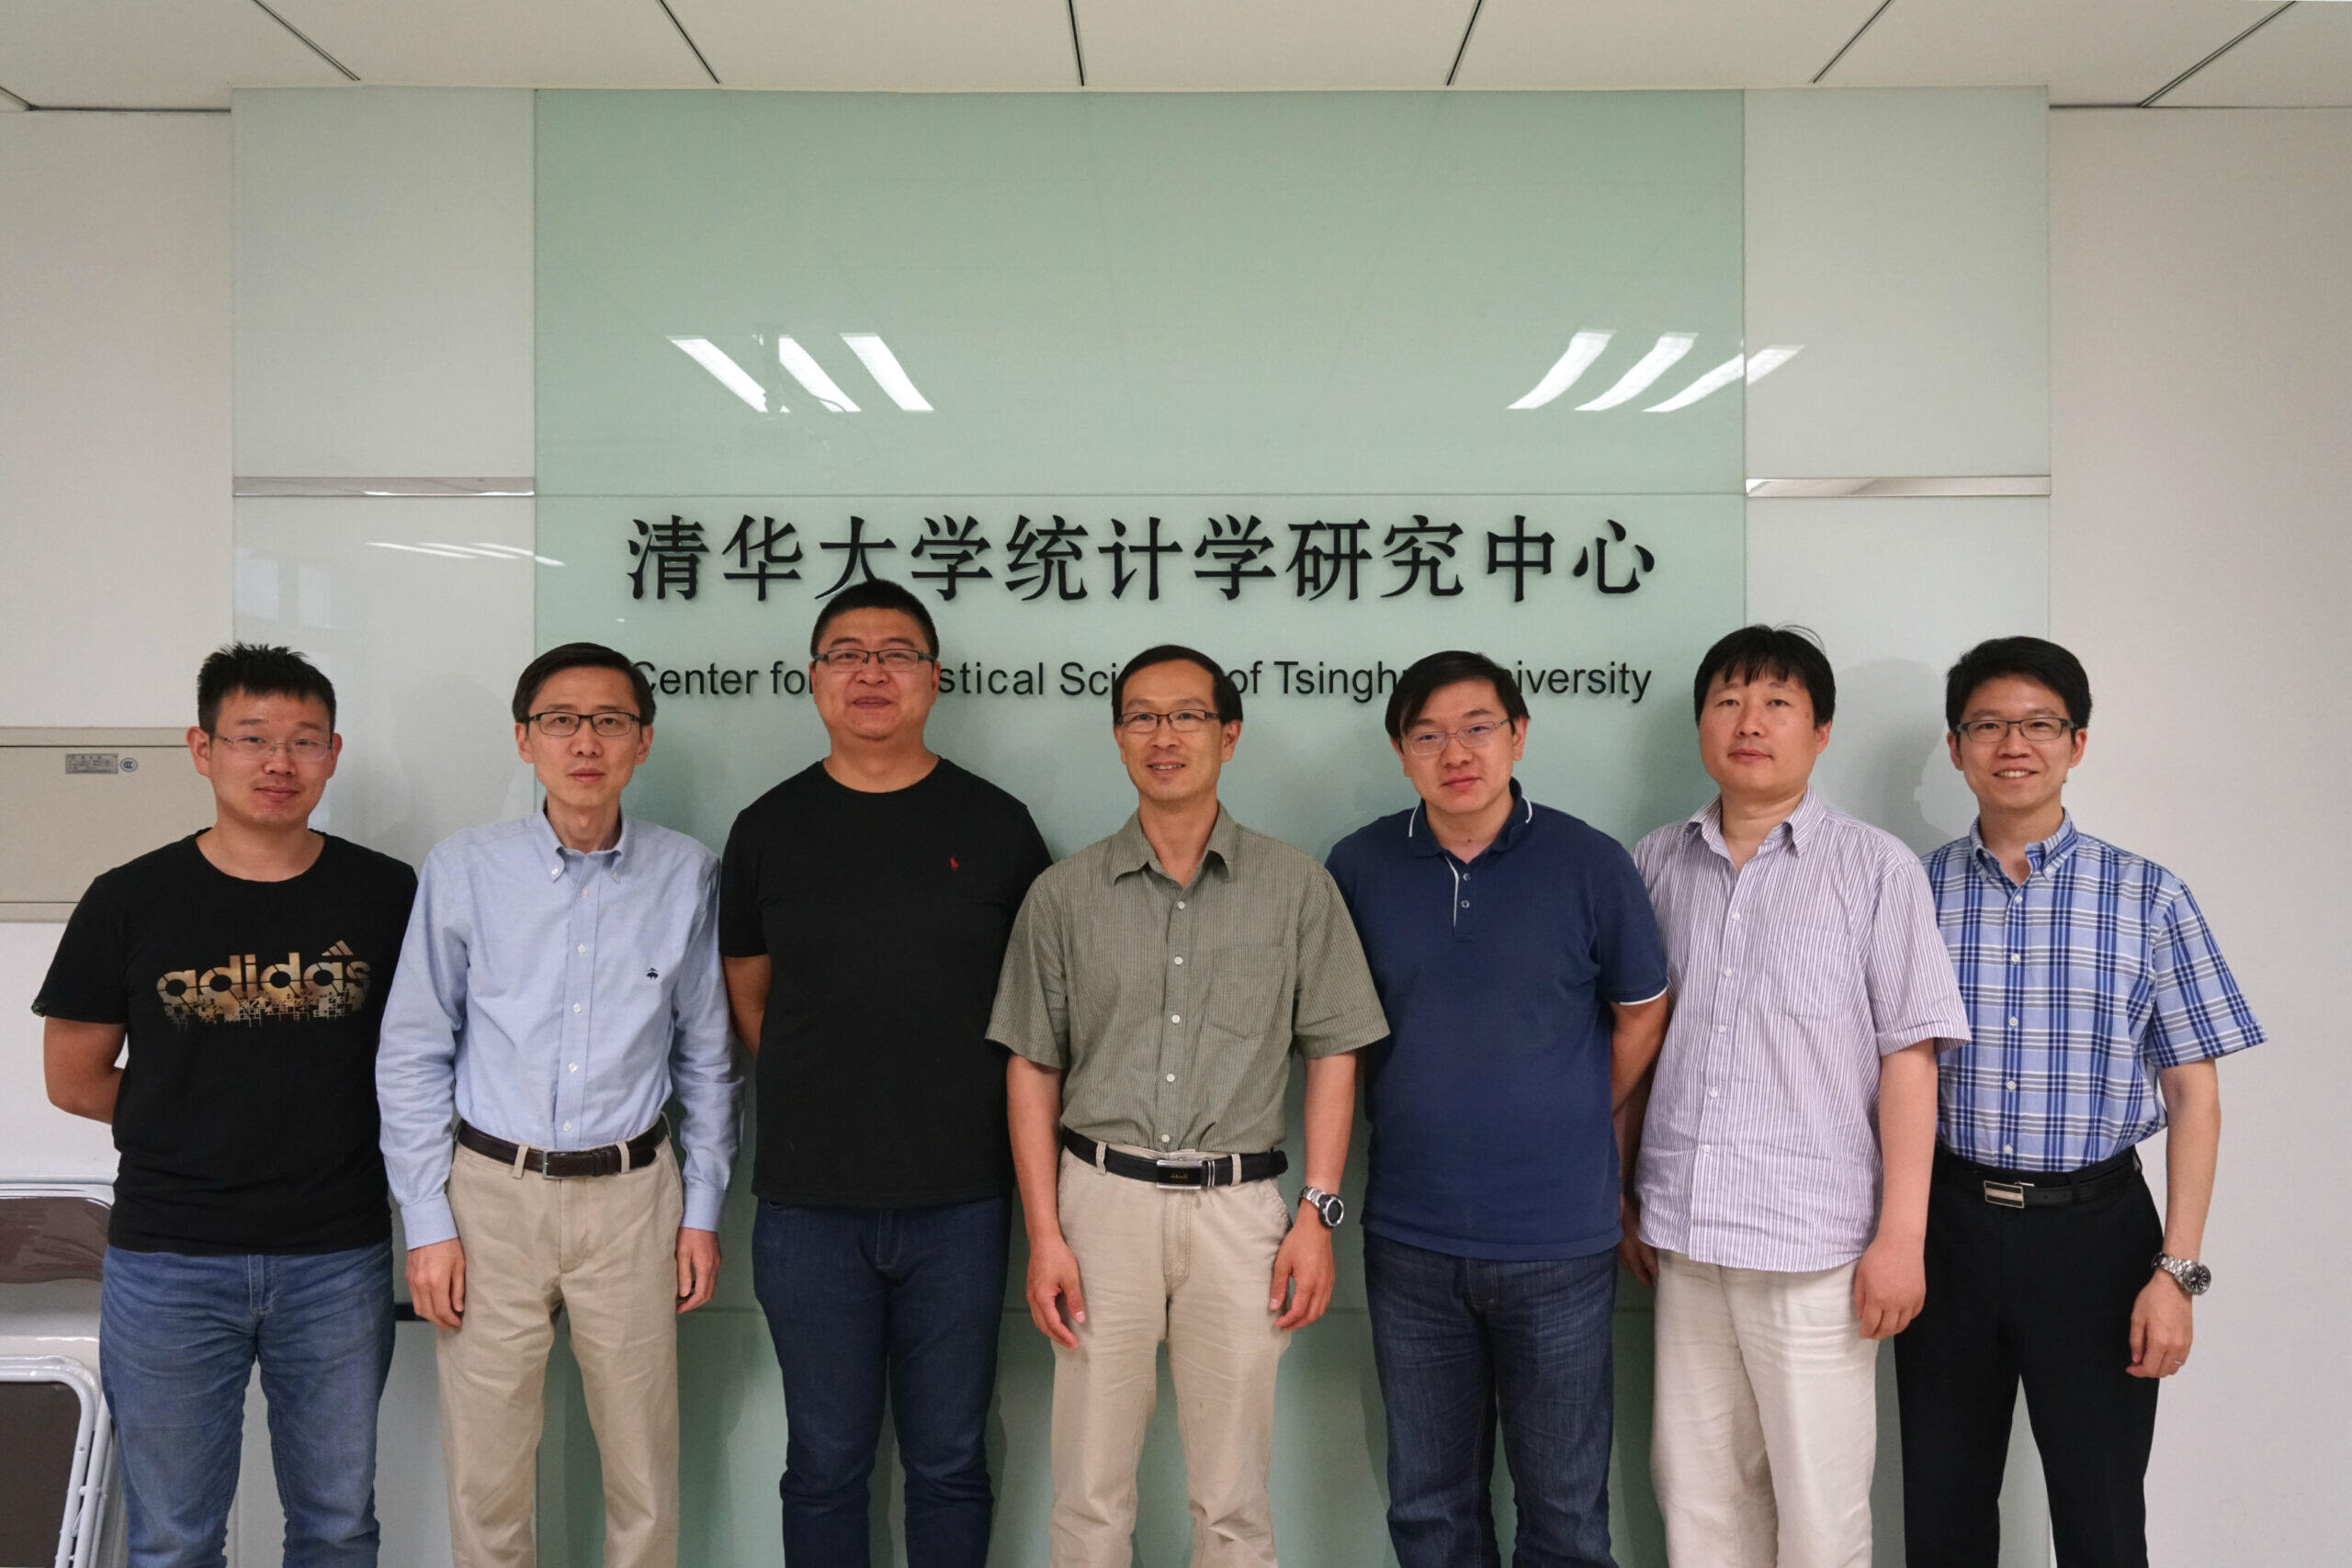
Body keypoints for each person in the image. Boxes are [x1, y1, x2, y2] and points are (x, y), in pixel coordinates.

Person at [988, 644, 1389, 1568]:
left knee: (1234, 1499)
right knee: (1089, 1494)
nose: (1162, 736)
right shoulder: (1064, 895)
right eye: (1141, 716)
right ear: (1118, 736)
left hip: (1240, 1212)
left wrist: (1318, 1215)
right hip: (1100, 1208)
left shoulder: (1295, 886)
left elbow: (1335, 1052)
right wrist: (1045, 1234)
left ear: (1229, 734)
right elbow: (1031, 1066)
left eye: (1187, 716)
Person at [36, 643, 415, 1568]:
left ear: (333, 754)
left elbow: (425, 1061)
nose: (279, 762)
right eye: (252, 738)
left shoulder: (387, 893)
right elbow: (74, 1077)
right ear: (202, 748)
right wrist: (194, 1117)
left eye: (304, 740)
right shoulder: (129, 900)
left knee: (337, 1525)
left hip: (336, 1254)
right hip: (169, 1259)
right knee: (173, 1536)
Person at [1896, 637, 2265, 1568]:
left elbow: (2193, 1094)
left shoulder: (2149, 896)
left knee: (2101, 1517)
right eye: (1988, 724)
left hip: (2098, 1236)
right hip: (1948, 1226)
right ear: (1956, 746)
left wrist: (2176, 1272)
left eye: (2039, 724)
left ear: (2077, 743)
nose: (2013, 744)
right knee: (1941, 1510)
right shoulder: (1909, 892)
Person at [377, 642, 741, 1568]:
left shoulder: (687, 874)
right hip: (490, 1197)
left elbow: (708, 1058)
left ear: (642, 741)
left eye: (610, 721)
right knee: (487, 1475)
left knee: (644, 1471)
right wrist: (427, 1221)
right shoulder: (464, 869)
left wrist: (701, 1212)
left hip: (633, 1198)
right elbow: (413, 1050)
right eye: (561, 721)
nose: (586, 742)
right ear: (524, 738)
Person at [718, 579, 1051, 1566]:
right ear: (813, 677)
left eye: (897, 653)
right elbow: (751, 1000)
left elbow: (1038, 1010)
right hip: (809, 1205)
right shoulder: (767, 827)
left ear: (933, 679)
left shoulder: (996, 825)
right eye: (847, 654)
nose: (871, 672)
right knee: (825, 1461)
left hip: (962, 1200)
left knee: (949, 1457)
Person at [1624, 625, 1969, 1568]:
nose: (1750, 722)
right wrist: (1622, 1193)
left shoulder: (1875, 868)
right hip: (1684, 1236)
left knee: (1821, 1515)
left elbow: (1911, 1059)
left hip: (1816, 1249)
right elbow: (1633, 1046)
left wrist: (1901, 1238)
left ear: (1819, 732)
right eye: (1729, 701)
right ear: (1702, 723)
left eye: (1776, 703)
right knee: (1697, 1502)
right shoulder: (1654, 863)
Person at [1327, 650, 1669, 1568]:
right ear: (1401, 752)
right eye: (1428, 735)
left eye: (1478, 727)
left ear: (1518, 733)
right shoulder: (1359, 865)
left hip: (1559, 1241)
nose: (1456, 753)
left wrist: (1572, 1105)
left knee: (1564, 1511)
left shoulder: (1589, 862)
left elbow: (1642, 1011)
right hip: (1410, 1236)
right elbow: (1332, 1037)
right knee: (1429, 1507)